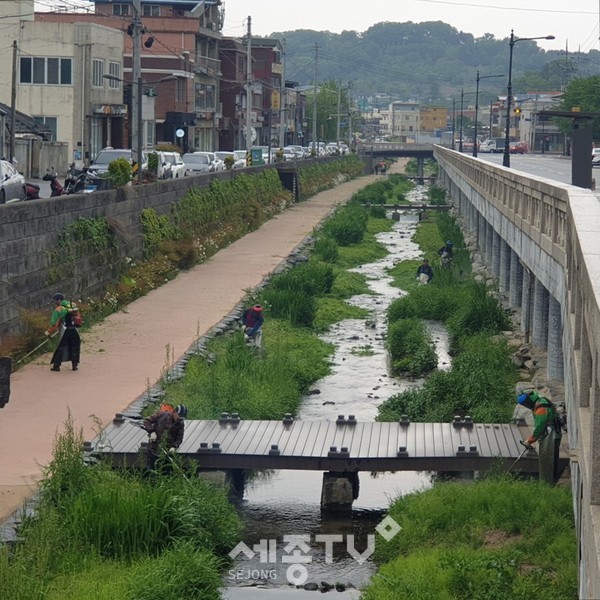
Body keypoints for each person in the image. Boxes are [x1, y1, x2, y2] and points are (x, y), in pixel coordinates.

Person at [143, 403, 187, 470]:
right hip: (154, 450)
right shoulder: (162, 414)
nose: (180, 419)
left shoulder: (180, 424)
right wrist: (152, 432)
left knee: (166, 472)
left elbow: (179, 438)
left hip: (167, 453)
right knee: (152, 471)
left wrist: (174, 447)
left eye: (182, 418)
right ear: (174, 412)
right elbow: (146, 421)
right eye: (179, 417)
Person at [45, 292, 81, 372]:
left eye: (55, 301)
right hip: (75, 330)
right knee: (74, 347)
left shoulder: (59, 309)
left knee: (60, 348)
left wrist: (48, 332)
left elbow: (54, 323)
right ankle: (74, 365)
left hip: (65, 331)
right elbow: (78, 317)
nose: (55, 303)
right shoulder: (73, 305)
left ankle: (56, 366)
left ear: (59, 300)